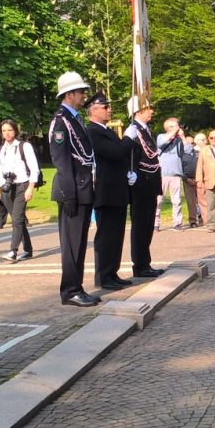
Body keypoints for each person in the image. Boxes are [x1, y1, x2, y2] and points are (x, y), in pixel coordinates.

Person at [49, 72, 99, 307]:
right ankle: (70, 289)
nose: (84, 95)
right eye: (80, 92)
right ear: (69, 95)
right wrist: (69, 195)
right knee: (71, 243)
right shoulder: (61, 122)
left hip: (82, 186)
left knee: (79, 242)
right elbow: (62, 162)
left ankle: (76, 286)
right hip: (73, 190)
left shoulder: (74, 119)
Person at [85, 92, 131, 290]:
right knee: (106, 236)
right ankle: (104, 276)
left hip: (117, 189)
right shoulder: (93, 132)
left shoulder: (108, 131)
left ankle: (112, 272)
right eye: (105, 107)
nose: (109, 109)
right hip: (105, 190)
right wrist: (129, 138)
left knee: (116, 234)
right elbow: (116, 152)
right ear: (93, 111)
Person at [125, 96, 163, 278]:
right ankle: (140, 265)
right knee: (140, 225)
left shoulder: (146, 130)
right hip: (140, 183)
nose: (152, 111)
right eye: (148, 108)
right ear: (138, 111)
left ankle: (145, 262)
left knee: (147, 225)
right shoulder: (133, 130)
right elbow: (130, 155)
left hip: (150, 183)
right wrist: (130, 172)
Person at [0, 119, 37, 262]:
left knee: (16, 219)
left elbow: (34, 168)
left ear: (15, 130)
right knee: (18, 220)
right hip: (6, 188)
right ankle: (28, 250)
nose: (7, 133)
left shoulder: (24, 146)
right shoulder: (0, 149)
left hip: (22, 185)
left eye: (9, 130)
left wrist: (30, 188)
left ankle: (13, 251)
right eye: (4, 131)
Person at [156, 117, 187, 230]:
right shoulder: (161, 136)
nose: (177, 128)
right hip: (162, 174)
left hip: (176, 174)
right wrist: (174, 132)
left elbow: (188, 150)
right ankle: (155, 223)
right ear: (168, 128)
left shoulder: (179, 140)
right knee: (158, 200)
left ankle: (177, 223)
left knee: (177, 200)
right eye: (174, 126)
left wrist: (182, 137)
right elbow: (161, 143)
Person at [180, 129, 202, 228]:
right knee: (191, 202)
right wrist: (186, 179)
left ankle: (204, 218)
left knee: (202, 200)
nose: (190, 145)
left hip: (199, 179)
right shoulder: (180, 155)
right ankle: (193, 221)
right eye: (188, 143)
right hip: (187, 180)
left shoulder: (198, 153)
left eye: (192, 143)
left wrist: (199, 178)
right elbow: (179, 169)